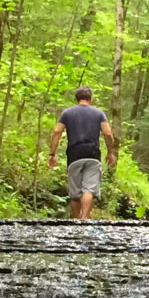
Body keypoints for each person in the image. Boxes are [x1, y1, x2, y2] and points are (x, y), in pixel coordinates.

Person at [48, 86, 117, 220]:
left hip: (74, 155)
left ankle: (75, 222)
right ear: (90, 99)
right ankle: (84, 219)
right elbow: (108, 133)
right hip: (92, 154)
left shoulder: (67, 113)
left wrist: (52, 154)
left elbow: (57, 131)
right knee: (89, 189)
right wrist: (110, 152)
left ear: (76, 99)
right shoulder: (99, 113)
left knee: (75, 192)